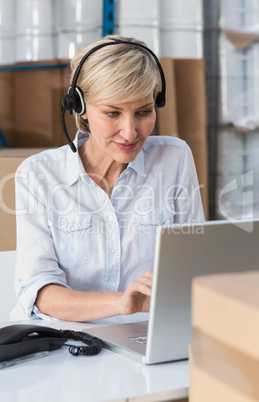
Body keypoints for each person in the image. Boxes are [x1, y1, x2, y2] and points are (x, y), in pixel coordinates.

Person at [12, 35, 205, 322]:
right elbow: (39, 292)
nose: (130, 132)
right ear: (81, 107)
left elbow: (194, 267)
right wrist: (121, 303)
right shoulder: (38, 175)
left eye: (143, 112)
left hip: (147, 335)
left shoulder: (174, 157)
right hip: (68, 342)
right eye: (112, 113)